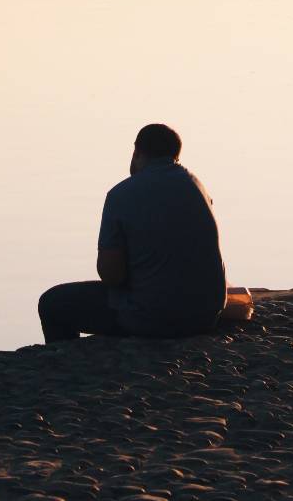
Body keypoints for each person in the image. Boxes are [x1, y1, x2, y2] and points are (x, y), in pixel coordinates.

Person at [38, 123, 227, 342]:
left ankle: (62, 365)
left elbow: (111, 275)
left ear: (136, 153)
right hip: (207, 315)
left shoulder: (121, 195)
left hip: (153, 318)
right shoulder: (198, 187)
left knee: (53, 303)